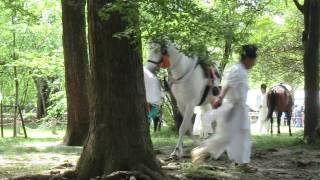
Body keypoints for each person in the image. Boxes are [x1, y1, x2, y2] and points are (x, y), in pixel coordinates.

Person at [191, 45, 258, 173]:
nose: (254, 63)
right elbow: (227, 85)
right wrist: (220, 98)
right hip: (232, 110)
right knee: (225, 137)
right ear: (248, 59)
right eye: (253, 60)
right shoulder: (237, 70)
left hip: (240, 110)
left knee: (243, 136)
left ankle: (242, 163)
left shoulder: (242, 70)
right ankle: (200, 151)